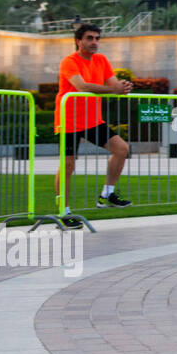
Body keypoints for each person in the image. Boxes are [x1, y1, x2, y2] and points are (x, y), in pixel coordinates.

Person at [54, 23, 133, 215]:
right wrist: (113, 89)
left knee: (122, 149)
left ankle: (107, 195)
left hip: (93, 120)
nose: (94, 42)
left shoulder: (102, 60)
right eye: (89, 38)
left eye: (97, 38)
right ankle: (63, 211)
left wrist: (122, 88)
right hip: (69, 121)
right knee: (68, 164)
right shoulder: (69, 61)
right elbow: (81, 86)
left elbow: (114, 86)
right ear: (78, 41)